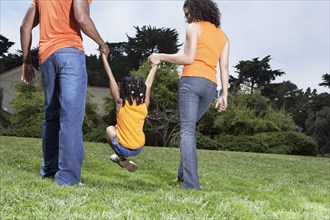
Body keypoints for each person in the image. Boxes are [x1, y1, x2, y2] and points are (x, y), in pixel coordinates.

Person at [20, 0, 109, 186]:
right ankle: (67, 178)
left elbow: (24, 27)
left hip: (46, 58)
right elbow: (82, 18)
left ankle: (49, 171)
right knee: (71, 117)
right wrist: (102, 43)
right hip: (70, 53)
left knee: (52, 116)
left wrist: (26, 61)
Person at [148, 0, 229, 190]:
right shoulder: (223, 36)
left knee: (186, 131)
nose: (187, 17)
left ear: (195, 10)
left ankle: (191, 185)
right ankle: (182, 175)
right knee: (188, 130)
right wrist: (224, 94)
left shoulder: (194, 28)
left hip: (191, 82)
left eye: (187, 12)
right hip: (210, 87)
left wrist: (160, 56)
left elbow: (188, 58)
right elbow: (224, 66)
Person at [101, 53, 157, 172]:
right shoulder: (143, 104)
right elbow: (148, 84)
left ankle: (120, 156)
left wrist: (104, 58)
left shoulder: (121, 104)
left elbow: (111, 78)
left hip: (123, 147)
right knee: (117, 127)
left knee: (110, 129)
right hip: (139, 147)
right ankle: (120, 158)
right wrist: (154, 67)